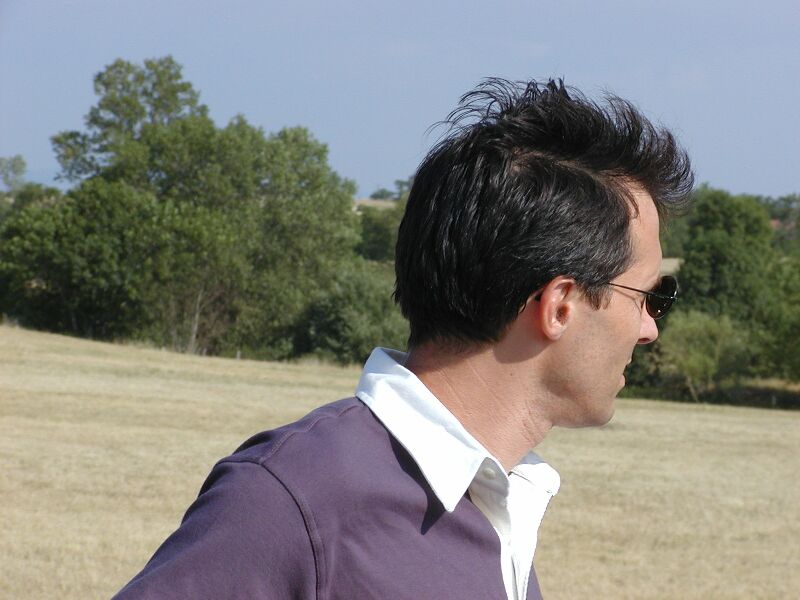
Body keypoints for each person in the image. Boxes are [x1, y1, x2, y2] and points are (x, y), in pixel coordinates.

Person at [113, 79, 693, 600]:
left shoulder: (496, 501)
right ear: (560, 305)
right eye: (647, 296)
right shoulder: (291, 502)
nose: (649, 327)